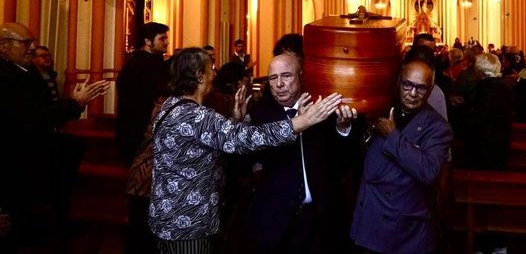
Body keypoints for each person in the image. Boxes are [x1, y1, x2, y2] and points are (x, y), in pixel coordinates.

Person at [148, 47, 343, 253]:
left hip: (168, 217)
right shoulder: (196, 116)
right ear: (200, 77)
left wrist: (236, 121)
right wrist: (304, 120)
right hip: (188, 223)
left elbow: (215, 142)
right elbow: (245, 139)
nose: (215, 74)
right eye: (211, 69)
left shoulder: (170, 106)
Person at [0, 22, 108, 250]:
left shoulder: (24, 73)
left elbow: (43, 112)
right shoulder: (6, 77)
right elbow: (33, 118)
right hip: (13, 159)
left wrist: (72, 104)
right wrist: (75, 103)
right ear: (3, 47)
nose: (31, 47)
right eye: (26, 43)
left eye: (33, 42)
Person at [246, 52, 357, 254]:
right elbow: (248, 164)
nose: (279, 84)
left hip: (320, 220)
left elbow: (342, 164)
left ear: (301, 76)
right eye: (273, 78)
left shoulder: (323, 110)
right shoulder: (259, 116)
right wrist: (297, 123)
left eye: (286, 76)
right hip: (275, 224)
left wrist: (343, 128)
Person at [350, 57, 453, 254]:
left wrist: (393, 135)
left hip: (403, 228)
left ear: (430, 90)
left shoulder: (438, 127)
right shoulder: (381, 109)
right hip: (368, 217)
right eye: (407, 85)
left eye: (421, 88)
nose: (413, 93)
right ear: (399, 82)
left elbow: (428, 171)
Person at [115, 21, 170, 253]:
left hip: (141, 137)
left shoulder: (147, 64)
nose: (166, 43)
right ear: (147, 41)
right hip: (143, 139)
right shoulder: (144, 67)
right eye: (162, 39)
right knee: (144, 201)